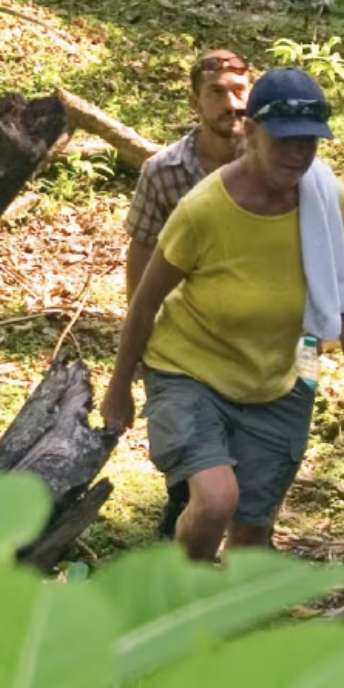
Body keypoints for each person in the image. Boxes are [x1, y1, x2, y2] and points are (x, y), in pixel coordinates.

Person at [105, 68, 344, 562]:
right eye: (286, 141)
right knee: (215, 503)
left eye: (310, 143)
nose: (299, 155)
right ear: (251, 132)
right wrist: (119, 386)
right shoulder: (204, 210)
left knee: (252, 535)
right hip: (190, 368)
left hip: (287, 369)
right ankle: (183, 594)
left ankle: (226, 621)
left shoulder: (325, 200)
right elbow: (146, 303)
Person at [123, 49, 252, 535]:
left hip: (251, 323)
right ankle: (184, 510)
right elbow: (141, 249)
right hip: (183, 328)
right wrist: (140, 325)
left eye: (239, 90)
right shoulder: (166, 171)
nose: (230, 102)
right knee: (190, 426)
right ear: (195, 101)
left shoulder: (272, 163)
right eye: (216, 93)